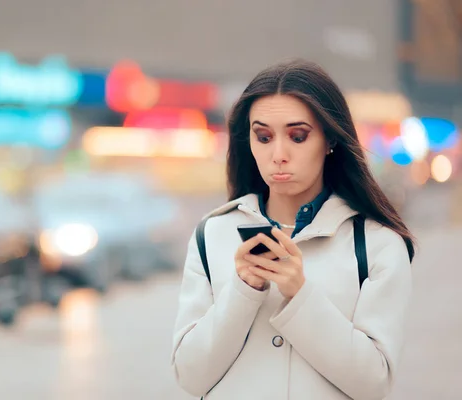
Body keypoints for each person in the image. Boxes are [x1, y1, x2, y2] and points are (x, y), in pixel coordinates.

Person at [170, 59, 415, 400]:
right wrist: (243, 290)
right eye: (264, 136)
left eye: (298, 136)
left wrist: (300, 295)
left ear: (329, 139)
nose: (278, 154)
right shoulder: (211, 235)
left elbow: (373, 384)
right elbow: (190, 376)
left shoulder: (377, 245)